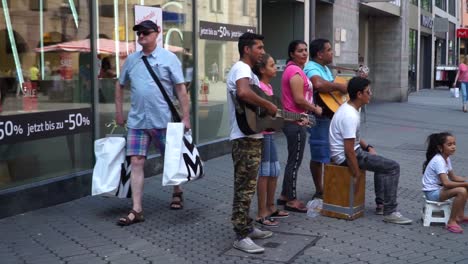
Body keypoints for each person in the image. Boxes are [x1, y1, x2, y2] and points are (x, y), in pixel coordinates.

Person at [115, 20, 191, 226]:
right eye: (138, 34)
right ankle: (136, 209)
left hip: (163, 121)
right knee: (136, 162)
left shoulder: (169, 59)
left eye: (145, 33)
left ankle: (177, 190)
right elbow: (120, 85)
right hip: (137, 122)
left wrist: (186, 117)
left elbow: (181, 89)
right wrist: (119, 112)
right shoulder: (131, 60)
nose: (141, 36)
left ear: (158, 33)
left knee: (171, 159)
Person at [329, 77, 412, 225]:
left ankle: (381, 205)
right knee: (393, 167)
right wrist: (356, 175)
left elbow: (353, 138)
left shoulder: (352, 107)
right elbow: (349, 151)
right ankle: (390, 211)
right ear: (359, 94)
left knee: (381, 164)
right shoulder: (349, 115)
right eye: (368, 91)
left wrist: (368, 147)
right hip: (344, 157)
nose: (371, 94)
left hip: (353, 151)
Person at [303, 39, 375, 203]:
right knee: (319, 154)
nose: (332, 53)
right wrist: (344, 88)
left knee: (327, 154)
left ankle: (330, 186)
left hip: (329, 116)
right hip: (319, 118)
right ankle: (319, 190)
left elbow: (331, 87)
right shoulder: (311, 67)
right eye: (328, 50)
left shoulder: (326, 68)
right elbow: (318, 84)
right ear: (320, 54)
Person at [227, 32, 278, 254]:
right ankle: (240, 236)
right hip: (244, 138)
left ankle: (247, 227)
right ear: (247, 49)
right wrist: (267, 104)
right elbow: (244, 93)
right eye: (259, 47)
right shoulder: (241, 69)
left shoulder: (249, 72)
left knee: (248, 185)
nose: (262, 51)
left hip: (252, 136)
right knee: (244, 189)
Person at [277, 40, 322, 213]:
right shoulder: (294, 71)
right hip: (295, 122)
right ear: (291, 54)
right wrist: (315, 109)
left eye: (306, 50)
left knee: (292, 160)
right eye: (300, 51)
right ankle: (291, 200)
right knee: (294, 162)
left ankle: (284, 195)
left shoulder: (297, 70)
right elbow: (298, 99)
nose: (304, 53)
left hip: (297, 121)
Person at [252, 53, 289, 227]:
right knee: (265, 173)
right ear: (262, 69)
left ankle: (271, 206)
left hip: (270, 135)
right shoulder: (258, 87)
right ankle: (261, 213)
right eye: (272, 65)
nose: (276, 68)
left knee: (274, 171)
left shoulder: (268, 86)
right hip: (263, 136)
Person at [422, 132, 468, 233]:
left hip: (439, 189)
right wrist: (465, 184)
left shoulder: (446, 158)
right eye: (449, 144)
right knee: (461, 191)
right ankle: (451, 222)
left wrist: (466, 180)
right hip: (432, 193)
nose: (453, 147)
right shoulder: (438, 160)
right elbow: (446, 183)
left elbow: (453, 177)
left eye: (454, 144)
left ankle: (459, 216)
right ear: (440, 147)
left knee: (465, 188)